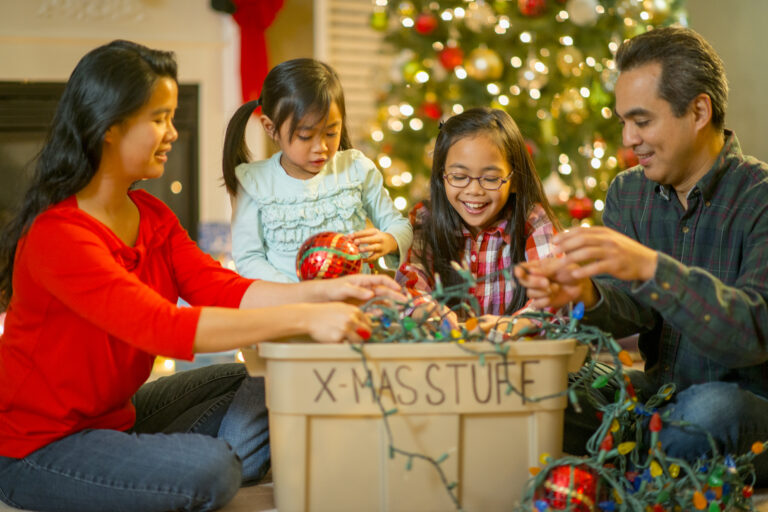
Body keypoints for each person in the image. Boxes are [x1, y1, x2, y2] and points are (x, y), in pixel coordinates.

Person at [0, 40, 404, 512]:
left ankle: (182, 460)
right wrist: (309, 319)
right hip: (36, 448)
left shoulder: (149, 213)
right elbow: (164, 327)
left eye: (172, 117)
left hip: (113, 420)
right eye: (159, 118)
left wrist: (331, 290)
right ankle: (208, 462)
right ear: (109, 127)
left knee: (252, 377)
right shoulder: (59, 235)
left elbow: (220, 288)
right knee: (211, 469)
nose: (173, 133)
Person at [515, 26, 768, 482]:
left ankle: (620, 468)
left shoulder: (760, 198)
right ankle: (648, 464)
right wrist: (588, 294)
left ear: (698, 111)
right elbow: (630, 314)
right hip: (657, 396)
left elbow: (752, 334)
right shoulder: (629, 193)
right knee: (549, 387)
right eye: (623, 123)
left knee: (713, 407)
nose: (629, 139)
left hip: (746, 403)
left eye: (643, 120)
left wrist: (650, 268)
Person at [222, 58, 413, 283]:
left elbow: (400, 225)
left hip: (355, 301)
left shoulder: (355, 169)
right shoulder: (254, 182)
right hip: (291, 307)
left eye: (331, 133)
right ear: (271, 128)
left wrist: (389, 239)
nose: (320, 147)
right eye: (305, 136)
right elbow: (249, 260)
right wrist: (299, 293)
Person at [395, 107, 560, 328]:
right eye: (459, 176)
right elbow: (410, 284)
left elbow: (553, 296)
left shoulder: (533, 222)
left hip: (517, 356)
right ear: (441, 176)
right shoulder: (426, 220)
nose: (474, 190)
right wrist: (426, 310)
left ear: (515, 179)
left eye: (491, 179)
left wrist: (511, 326)